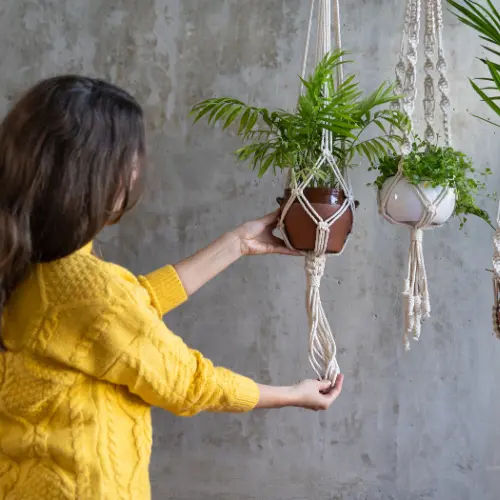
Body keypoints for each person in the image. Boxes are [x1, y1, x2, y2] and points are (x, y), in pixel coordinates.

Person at [0, 76, 344, 499]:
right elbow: (188, 382)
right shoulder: (88, 291)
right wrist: (293, 394)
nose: (134, 173)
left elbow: (129, 306)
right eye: (128, 162)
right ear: (93, 175)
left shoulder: (28, 267)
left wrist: (238, 243)